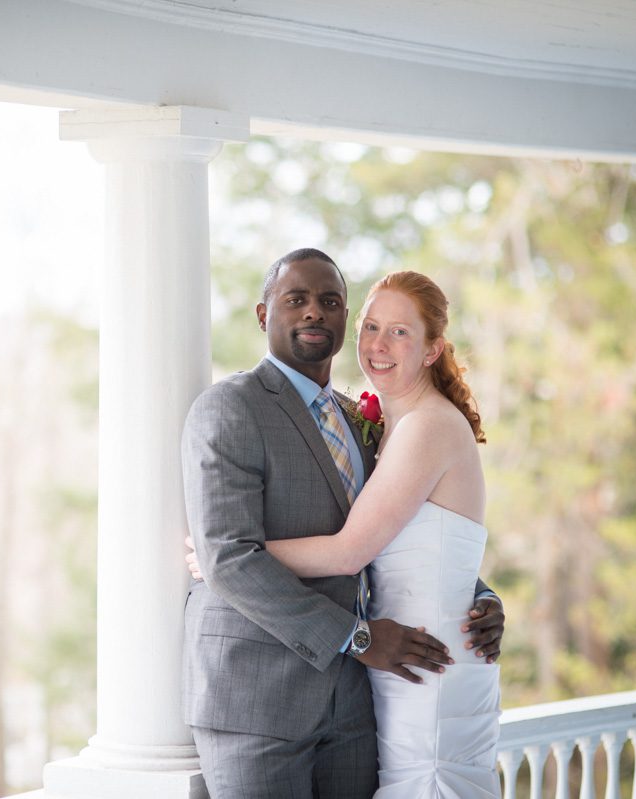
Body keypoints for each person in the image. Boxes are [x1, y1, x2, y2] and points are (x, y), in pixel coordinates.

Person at [181, 249, 504, 799]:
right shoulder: (229, 407)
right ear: (264, 315)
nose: (314, 313)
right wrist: (355, 638)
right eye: (296, 300)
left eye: (330, 302)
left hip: (358, 706)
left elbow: (401, 534)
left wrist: (476, 597)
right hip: (259, 699)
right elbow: (228, 558)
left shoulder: (362, 419)